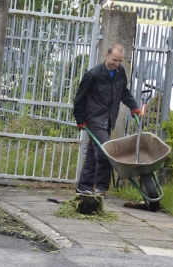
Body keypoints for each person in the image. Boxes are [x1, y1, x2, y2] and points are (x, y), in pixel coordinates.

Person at [73, 43, 140, 196]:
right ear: (107, 55)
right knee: (105, 151)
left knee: (92, 152)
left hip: (109, 118)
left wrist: (133, 106)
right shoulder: (93, 75)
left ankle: (84, 186)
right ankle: (102, 187)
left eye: (120, 61)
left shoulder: (120, 72)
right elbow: (79, 98)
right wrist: (80, 119)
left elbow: (123, 91)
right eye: (114, 60)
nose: (117, 64)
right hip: (94, 118)